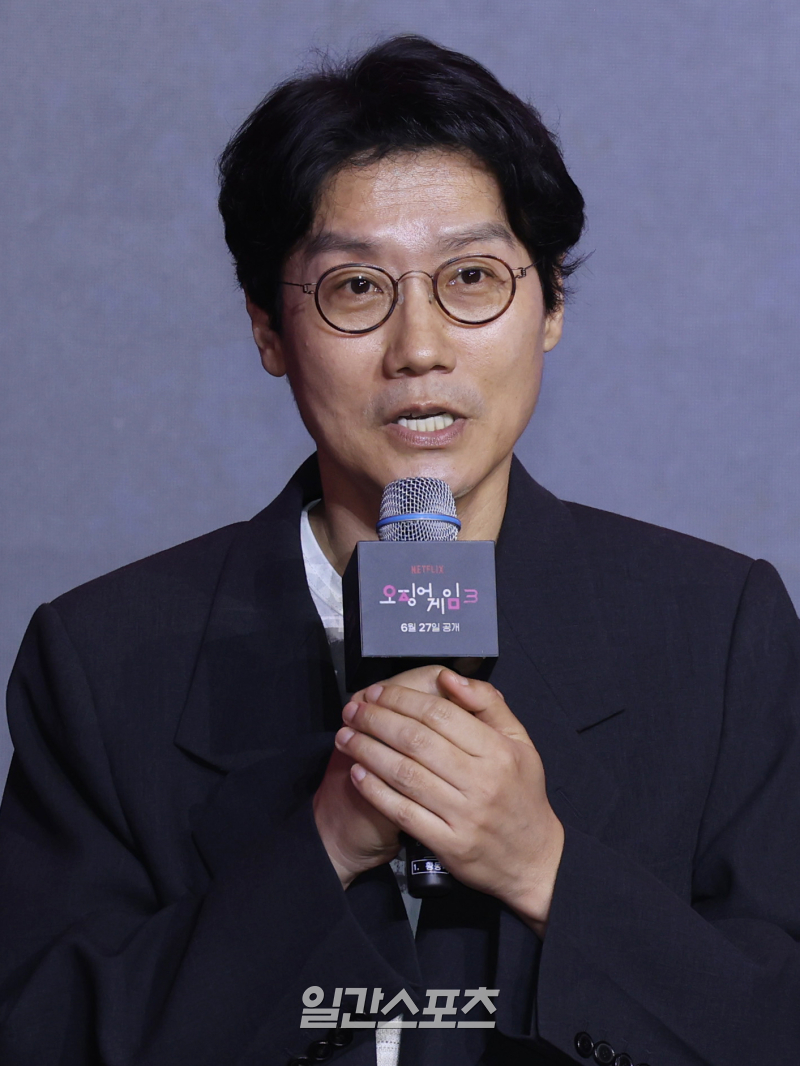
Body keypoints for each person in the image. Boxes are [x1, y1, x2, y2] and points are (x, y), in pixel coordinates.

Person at [1, 33, 799, 1066]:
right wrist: (325, 844)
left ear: (551, 304)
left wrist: (543, 866)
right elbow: (42, 1036)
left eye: (471, 277)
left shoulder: (718, 633)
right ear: (267, 328)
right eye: (355, 288)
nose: (418, 348)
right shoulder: (104, 662)